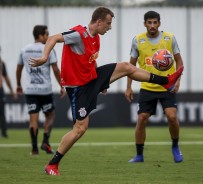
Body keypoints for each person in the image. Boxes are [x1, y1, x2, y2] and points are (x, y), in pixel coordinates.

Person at [29, 7, 183, 176]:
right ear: (99, 21)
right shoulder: (79, 33)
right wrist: (44, 57)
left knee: (126, 66)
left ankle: (166, 81)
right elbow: (53, 38)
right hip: (78, 89)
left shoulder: (96, 38)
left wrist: (101, 84)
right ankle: (52, 164)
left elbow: (91, 62)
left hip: (91, 80)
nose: (109, 27)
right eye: (108, 23)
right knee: (80, 129)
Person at [125, 11, 184, 163]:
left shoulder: (169, 38)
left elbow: (179, 61)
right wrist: (128, 87)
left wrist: (177, 80)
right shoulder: (138, 40)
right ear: (144, 23)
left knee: (172, 116)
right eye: (149, 22)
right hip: (147, 86)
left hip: (167, 86)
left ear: (159, 23)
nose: (152, 26)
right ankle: (139, 155)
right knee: (141, 119)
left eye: (155, 22)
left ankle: (175, 147)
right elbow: (130, 66)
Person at [16, 25, 66, 155]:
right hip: (45, 90)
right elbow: (56, 70)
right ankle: (45, 141)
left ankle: (34, 149)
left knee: (33, 119)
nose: (48, 37)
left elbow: (18, 69)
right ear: (40, 35)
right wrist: (62, 86)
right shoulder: (48, 49)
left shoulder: (24, 50)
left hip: (30, 90)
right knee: (50, 115)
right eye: (46, 34)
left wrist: (18, 85)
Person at [0, 46, 17, 138]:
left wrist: (11, 91)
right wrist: (11, 91)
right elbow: (6, 78)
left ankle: (4, 132)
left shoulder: (1, 64)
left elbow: (6, 78)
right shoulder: (1, 63)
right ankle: (4, 132)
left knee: (2, 113)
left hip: (0, 90)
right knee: (2, 113)